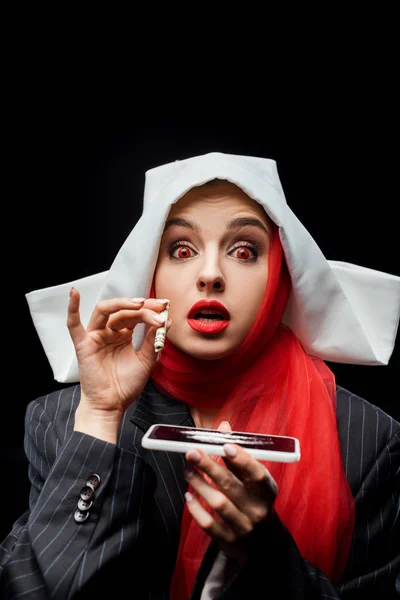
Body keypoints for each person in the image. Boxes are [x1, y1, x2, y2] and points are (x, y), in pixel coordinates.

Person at [0, 152, 399, 600]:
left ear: (280, 276)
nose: (211, 275)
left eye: (245, 251)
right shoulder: (62, 421)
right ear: (150, 272)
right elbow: (32, 589)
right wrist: (100, 414)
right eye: (182, 250)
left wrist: (267, 556)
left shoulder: (366, 439)